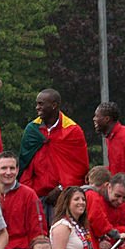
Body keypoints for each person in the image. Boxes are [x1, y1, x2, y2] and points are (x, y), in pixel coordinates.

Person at [19, 90, 89, 222]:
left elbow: (79, 167)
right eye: (37, 104)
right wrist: (30, 192)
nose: (37, 108)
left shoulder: (73, 131)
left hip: (63, 198)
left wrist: (62, 189)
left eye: (41, 104)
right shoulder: (32, 130)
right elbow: (25, 165)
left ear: (54, 105)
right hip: (36, 196)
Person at [0, 152, 45, 249]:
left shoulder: (28, 195)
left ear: (17, 170)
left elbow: (38, 229)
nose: (8, 172)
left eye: (12, 168)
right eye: (4, 168)